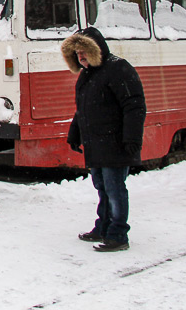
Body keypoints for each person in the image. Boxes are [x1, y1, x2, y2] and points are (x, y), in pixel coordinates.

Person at [62, 27, 146, 252]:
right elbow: (83, 109)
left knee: (114, 188)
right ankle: (104, 226)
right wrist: (75, 133)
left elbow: (134, 105)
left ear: (95, 49)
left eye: (84, 51)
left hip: (115, 142)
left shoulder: (118, 68)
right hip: (96, 143)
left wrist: (131, 138)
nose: (80, 57)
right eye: (77, 53)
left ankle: (118, 234)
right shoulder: (87, 74)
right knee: (102, 187)